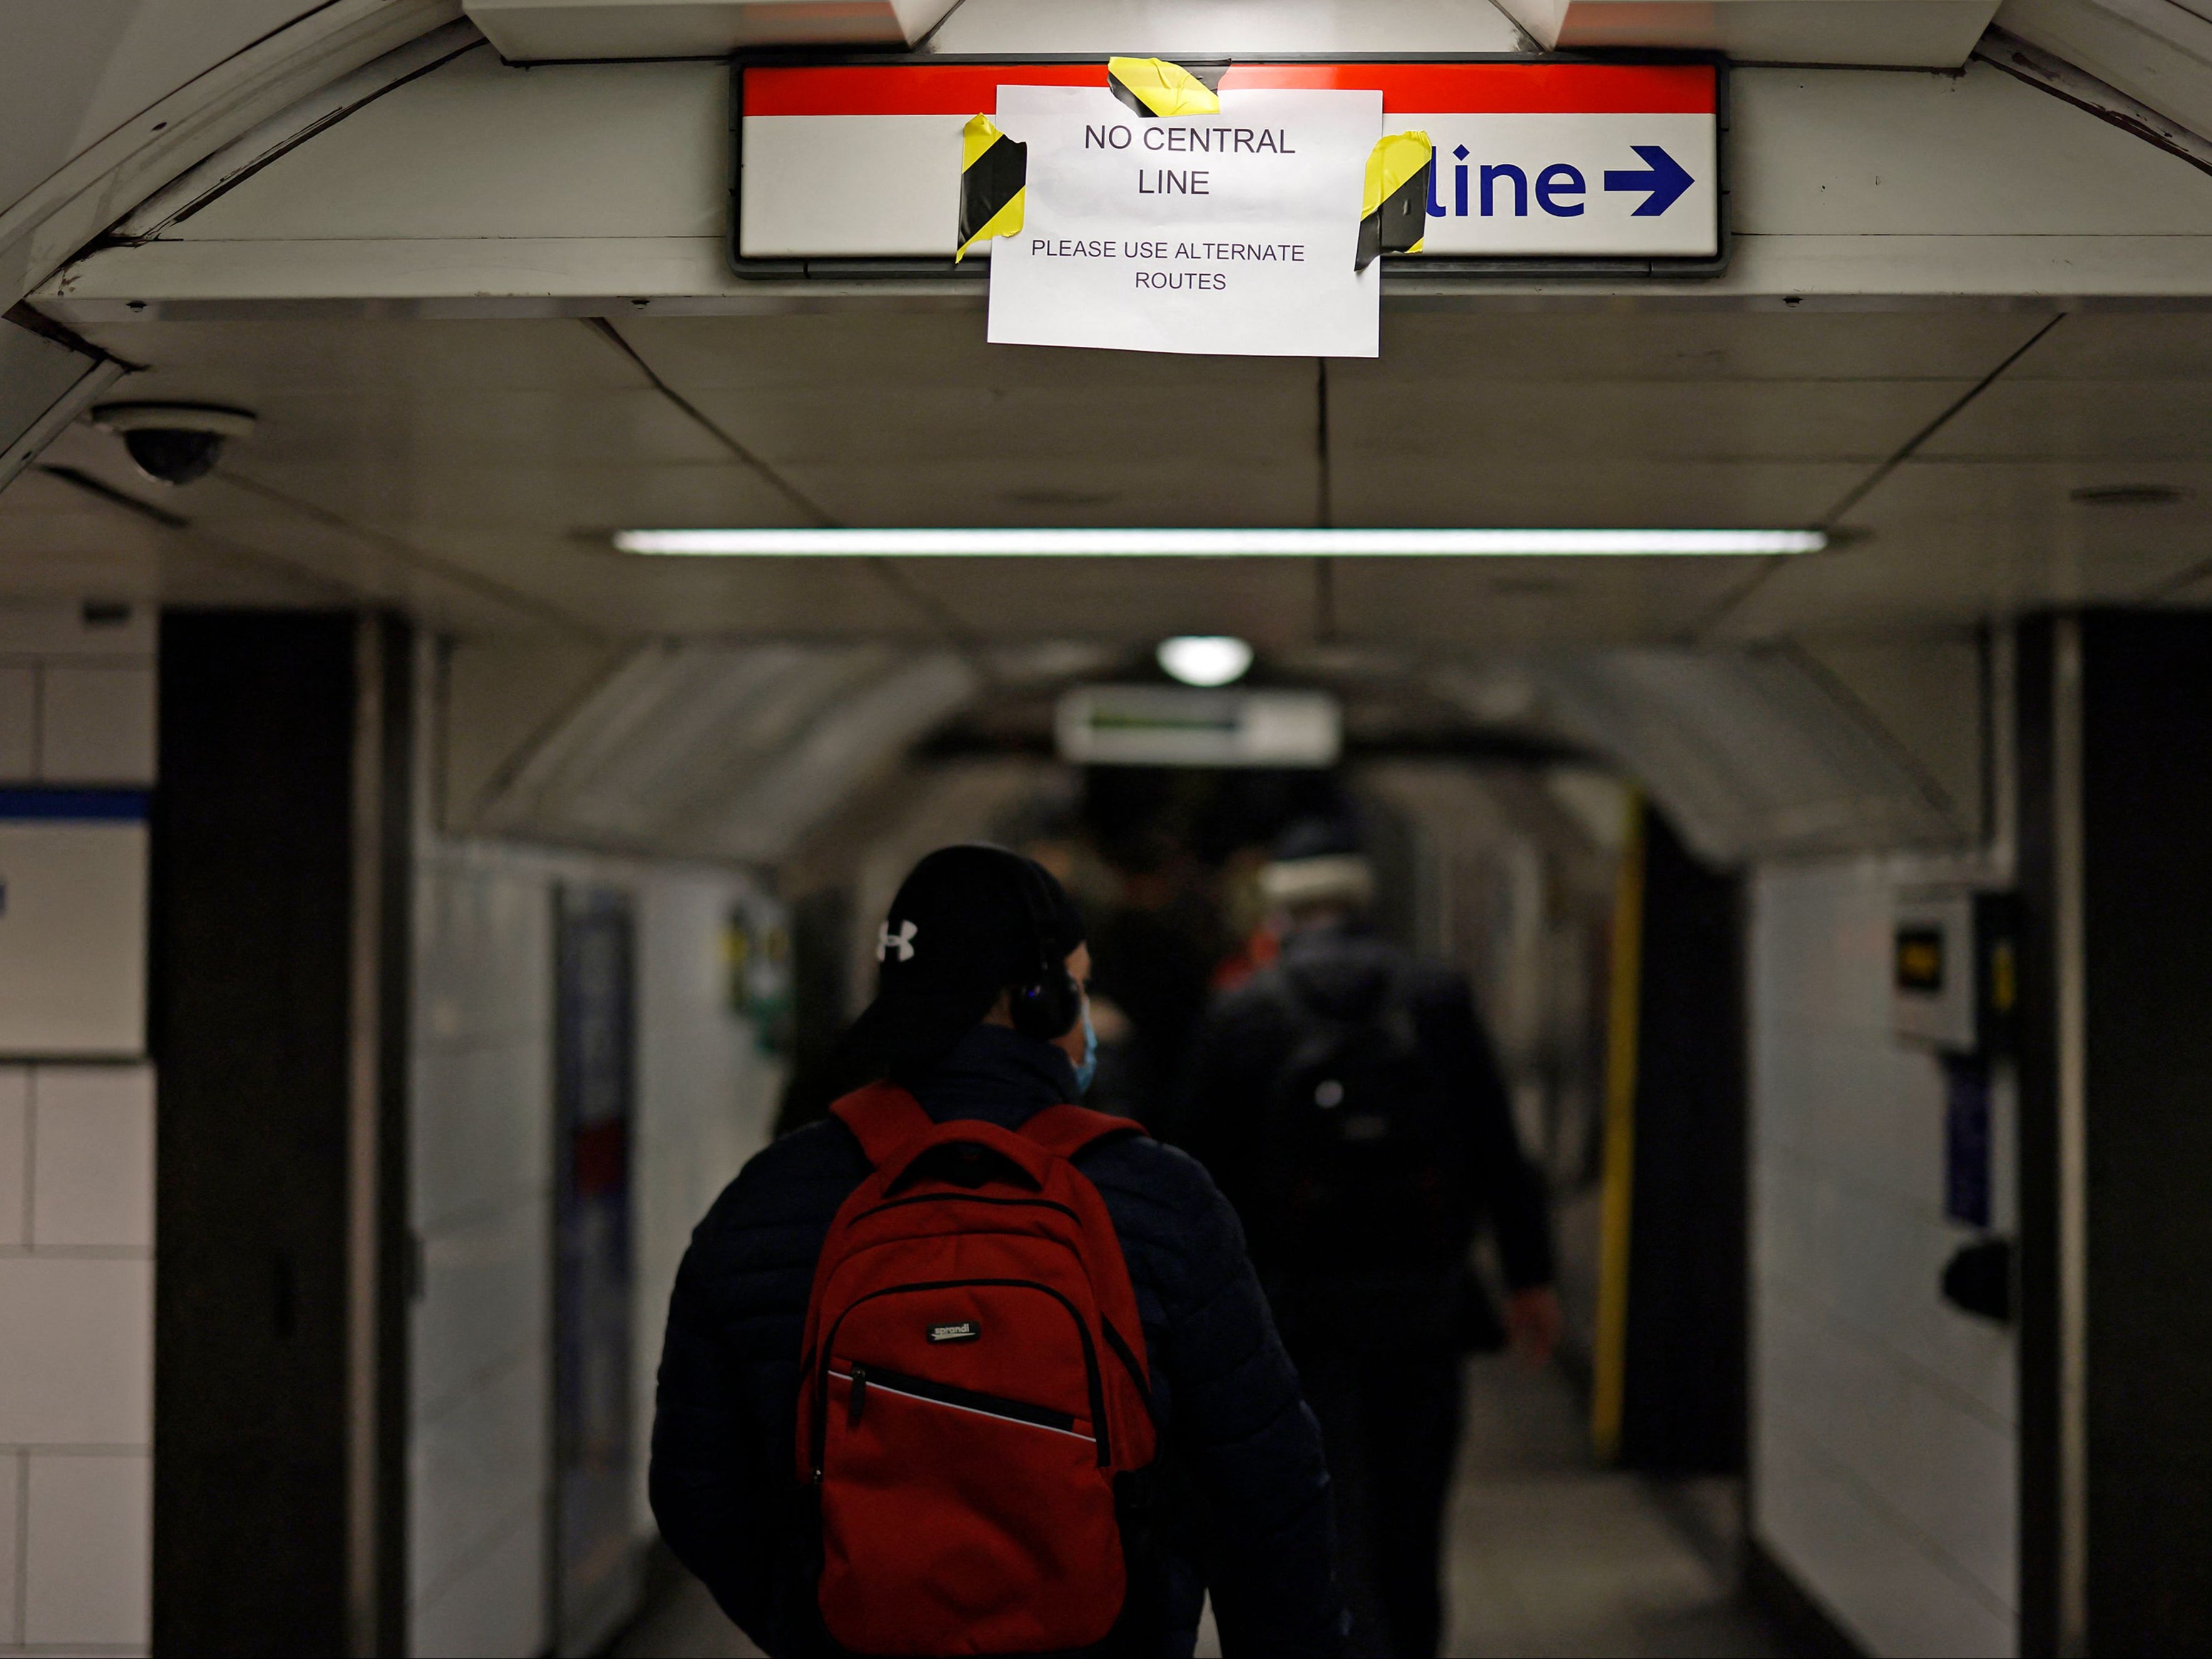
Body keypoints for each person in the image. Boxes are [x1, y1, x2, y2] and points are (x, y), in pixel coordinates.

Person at [651, 843, 1347, 1658]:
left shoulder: (765, 1201)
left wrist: (814, 1617)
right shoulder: (1160, 1200)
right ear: (1040, 997)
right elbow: (1266, 1492)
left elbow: (695, 1488)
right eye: (1077, 986)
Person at [1176, 822, 1561, 1659]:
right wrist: (1530, 1277)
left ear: (1279, 910)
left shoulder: (1243, 1009)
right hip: (1422, 1303)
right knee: (1411, 1517)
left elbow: (1199, 1175)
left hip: (1292, 1316)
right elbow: (1497, 1146)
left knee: (1325, 1515)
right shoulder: (1435, 995)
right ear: (1361, 898)